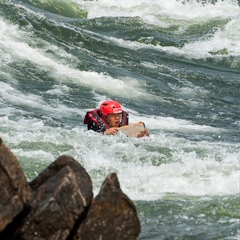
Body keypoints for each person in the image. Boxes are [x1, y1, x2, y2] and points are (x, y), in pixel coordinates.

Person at [84, 100, 149, 137]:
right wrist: (105, 133)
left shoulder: (123, 126)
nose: (117, 118)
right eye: (113, 115)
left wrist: (144, 136)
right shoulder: (94, 129)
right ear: (105, 116)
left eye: (119, 115)